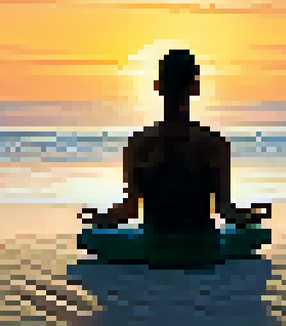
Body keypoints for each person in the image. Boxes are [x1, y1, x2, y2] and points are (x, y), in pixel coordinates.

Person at [77, 49, 272, 268]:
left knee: (90, 237)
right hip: (201, 246)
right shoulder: (214, 143)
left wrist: (99, 219)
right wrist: (250, 217)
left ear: (157, 86)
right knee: (258, 234)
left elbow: (129, 209)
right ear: (195, 88)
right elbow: (224, 209)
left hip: (153, 244)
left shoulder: (139, 143)